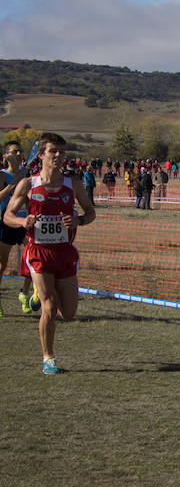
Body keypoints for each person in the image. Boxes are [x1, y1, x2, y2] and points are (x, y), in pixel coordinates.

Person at [3, 133, 96, 373]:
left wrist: (79, 220)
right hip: (39, 252)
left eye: (62, 152)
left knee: (68, 312)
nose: (58, 156)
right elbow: (8, 216)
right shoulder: (28, 184)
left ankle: (36, 295)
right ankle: (48, 358)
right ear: (41, 154)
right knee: (49, 307)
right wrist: (23, 223)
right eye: (53, 151)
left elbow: (90, 212)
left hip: (64, 253)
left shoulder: (72, 183)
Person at [1, 141, 35, 316]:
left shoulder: (24, 174)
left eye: (21, 151)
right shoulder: (2, 175)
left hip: (23, 222)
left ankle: (24, 292)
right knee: (2, 265)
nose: (19, 154)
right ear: (6, 155)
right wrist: (11, 185)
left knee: (33, 259)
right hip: (5, 222)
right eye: (15, 151)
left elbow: (28, 197)